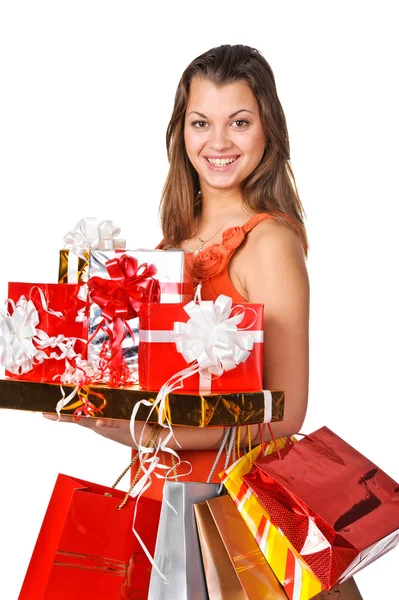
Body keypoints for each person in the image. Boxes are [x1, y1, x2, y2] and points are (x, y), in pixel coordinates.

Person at [46, 44, 309, 490]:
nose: (219, 142)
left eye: (239, 122)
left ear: (268, 129)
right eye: (201, 123)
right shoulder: (170, 245)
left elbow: (285, 415)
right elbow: (149, 392)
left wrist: (154, 435)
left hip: (224, 505)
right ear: (181, 131)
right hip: (155, 488)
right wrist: (99, 404)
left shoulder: (270, 242)